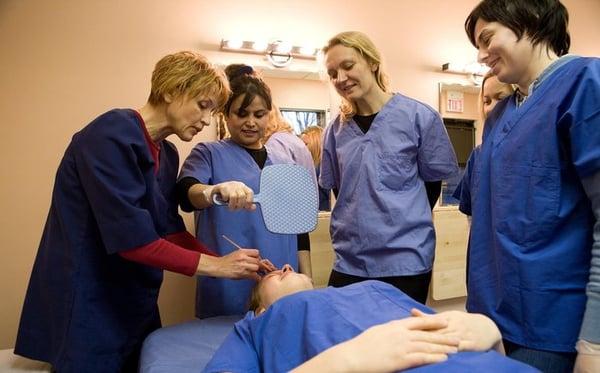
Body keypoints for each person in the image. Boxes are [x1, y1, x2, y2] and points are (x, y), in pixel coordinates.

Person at [14, 51, 271, 373]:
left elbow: (169, 230)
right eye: (203, 105)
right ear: (170, 90)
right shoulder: (111, 134)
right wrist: (217, 266)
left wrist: (238, 263)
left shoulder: (167, 152)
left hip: (133, 295)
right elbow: (133, 241)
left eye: (213, 110)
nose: (207, 120)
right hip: (89, 293)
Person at [464, 1, 600, 372]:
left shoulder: (586, 85)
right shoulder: (499, 118)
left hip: (553, 326)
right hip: (490, 316)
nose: (480, 56)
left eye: (487, 39)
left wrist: (594, 341)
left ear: (532, 20)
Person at [319, 31, 458, 303]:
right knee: (347, 337)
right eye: (333, 73)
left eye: (348, 66)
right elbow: (341, 191)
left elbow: (431, 185)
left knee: (399, 340)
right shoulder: (335, 131)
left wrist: (398, 221)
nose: (341, 79)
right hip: (350, 260)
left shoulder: (418, 117)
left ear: (372, 62)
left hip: (404, 260)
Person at [204, 265, 540, 373]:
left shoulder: (372, 288)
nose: (286, 266)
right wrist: (346, 361)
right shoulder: (254, 327)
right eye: (276, 273)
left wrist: (490, 333)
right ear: (260, 308)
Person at [176, 64, 310, 319]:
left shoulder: (285, 161)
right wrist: (213, 191)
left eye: (259, 114)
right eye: (241, 113)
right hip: (227, 284)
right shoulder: (208, 154)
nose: (251, 122)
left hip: (281, 284)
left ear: (269, 115)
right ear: (225, 115)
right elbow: (186, 193)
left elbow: (300, 230)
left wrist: (307, 279)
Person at [453, 72, 514, 217]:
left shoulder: (533, 151)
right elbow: (471, 214)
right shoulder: (477, 156)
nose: (491, 108)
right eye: (486, 101)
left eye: (501, 98)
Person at [301, 125, 332, 211]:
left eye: (305, 144)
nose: (301, 148)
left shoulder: (321, 169)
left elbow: (331, 200)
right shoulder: (310, 168)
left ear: (316, 143)